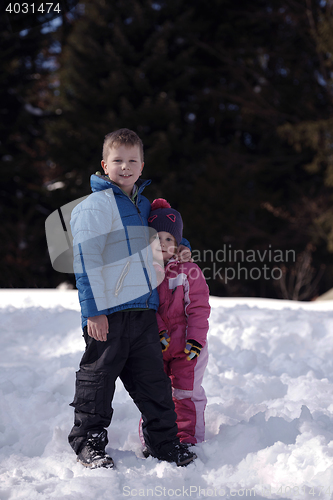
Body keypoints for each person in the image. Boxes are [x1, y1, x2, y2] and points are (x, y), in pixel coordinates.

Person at [68, 128, 196, 468]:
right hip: (107, 313)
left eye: (132, 160)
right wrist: (93, 311)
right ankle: (88, 442)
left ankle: (164, 443)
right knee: (98, 382)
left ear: (142, 165)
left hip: (144, 313)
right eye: (118, 160)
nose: (125, 167)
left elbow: (166, 239)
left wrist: (181, 250)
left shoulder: (144, 206)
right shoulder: (94, 207)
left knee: (154, 383)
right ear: (104, 165)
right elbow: (85, 261)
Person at [147, 198, 211, 445]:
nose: (162, 244)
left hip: (188, 347)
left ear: (178, 243)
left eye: (169, 239)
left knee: (185, 393)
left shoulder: (188, 271)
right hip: (157, 346)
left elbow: (199, 307)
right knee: (154, 394)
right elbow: (145, 307)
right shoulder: (144, 271)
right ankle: (154, 438)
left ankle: (187, 437)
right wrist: (158, 332)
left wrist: (196, 339)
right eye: (156, 238)